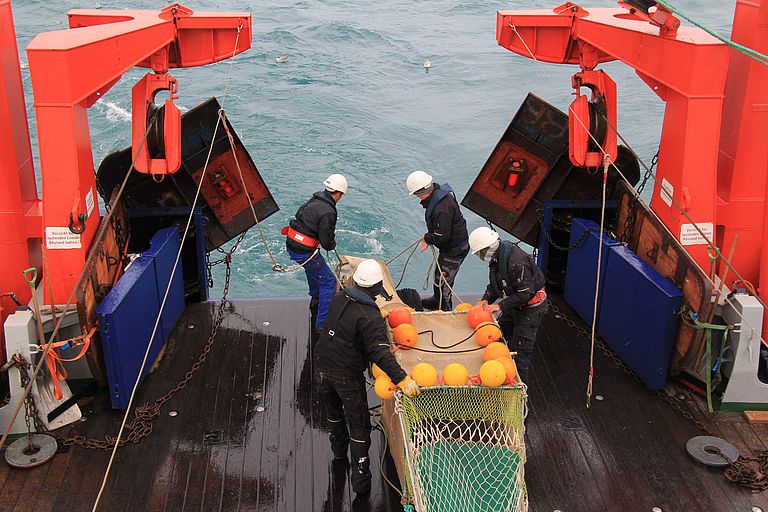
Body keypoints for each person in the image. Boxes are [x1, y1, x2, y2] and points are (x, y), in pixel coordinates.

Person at [314, 259, 419, 497]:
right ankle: (361, 484)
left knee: (334, 414)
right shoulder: (370, 317)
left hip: (322, 365)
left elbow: (346, 321)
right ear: (377, 287)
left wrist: (374, 316)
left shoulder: (339, 297)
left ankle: (339, 455)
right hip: (346, 376)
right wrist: (402, 379)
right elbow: (380, 354)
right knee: (359, 424)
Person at [469, 226, 548, 384]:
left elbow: (526, 293)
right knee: (498, 334)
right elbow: (495, 284)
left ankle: (520, 391)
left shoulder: (516, 262)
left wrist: (500, 306)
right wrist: (486, 299)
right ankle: (496, 372)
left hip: (531, 310)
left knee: (520, 353)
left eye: (480, 253)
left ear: (487, 249)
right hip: (515, 304)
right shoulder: (498, 257)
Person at [283, 174, 347, 330]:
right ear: (339, 194)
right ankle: (322, 325)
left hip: (292, 245)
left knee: (313, 270)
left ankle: (316, 299)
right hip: (304, 252)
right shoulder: (329, 212)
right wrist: (332, 244)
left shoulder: (314, 200)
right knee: (329, 282)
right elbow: (326, 242)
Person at [406, 170, 469, 311]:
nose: (417, 197)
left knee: (443, 282)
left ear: (422, 192)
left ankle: (444, 310)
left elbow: (442, 238)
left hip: (455, 250)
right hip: (454, 245)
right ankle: (436, 300)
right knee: (438, 277)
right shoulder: (440, 196)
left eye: (416, 194)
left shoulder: (442, 209)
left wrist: (427, 238)